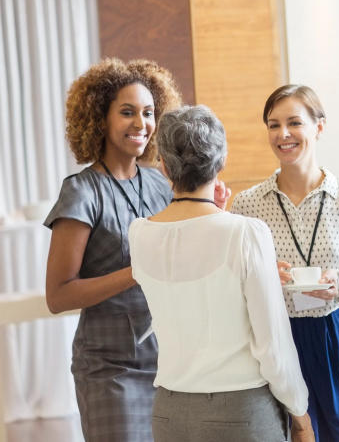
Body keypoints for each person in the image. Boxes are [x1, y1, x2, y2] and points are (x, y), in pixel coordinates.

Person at [128, 105, 314, 442]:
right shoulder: (246, 233)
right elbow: (273, 345)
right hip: (240, 412)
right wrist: (300, 416)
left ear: (165, 168)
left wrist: (216, 216)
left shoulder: (139, 234)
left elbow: (188, 268)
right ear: (222, 162)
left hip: (169, 413)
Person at [44, 59, 181, 442]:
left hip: (169, 363)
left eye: (149, 113)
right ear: (99, 119)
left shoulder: (160, 184)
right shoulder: (81, 192)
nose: (141, 123)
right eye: (127, 112)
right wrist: (136, 271)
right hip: (110, 370)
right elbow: (58, 295)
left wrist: (213, 210)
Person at [231, 85, 339, 441]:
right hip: (278, 336)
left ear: (319, 127)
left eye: (294, 122)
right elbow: (232, 281)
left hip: (338, 334)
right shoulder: (247, 205)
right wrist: (263, 276)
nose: (283, 134)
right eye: (273, 125)